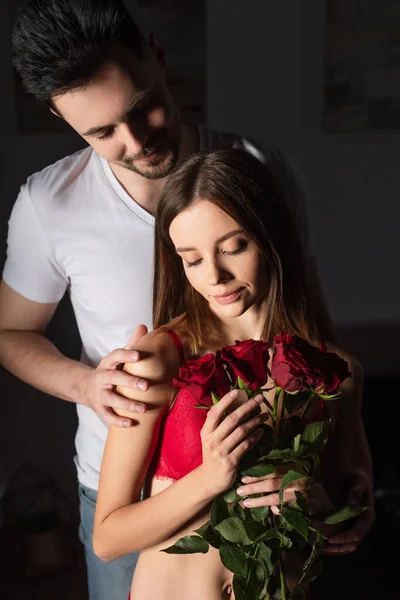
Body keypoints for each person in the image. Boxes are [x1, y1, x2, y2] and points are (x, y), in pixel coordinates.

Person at [0, 0, 373, 598]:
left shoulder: (263, 171)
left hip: (266, 501)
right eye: (101, 132)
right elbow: (9, 333)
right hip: (126, 486)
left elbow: (312, 334)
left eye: (142, 105)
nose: (137, 140)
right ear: (60, 117)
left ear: (157, 54)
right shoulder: (50, 205)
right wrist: (87, 385)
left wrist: (353, 479)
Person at [93, 148, 364, 600]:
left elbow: (333, 518)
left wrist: (315, 501)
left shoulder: (337, 373)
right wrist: (209, 478)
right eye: (192, 259)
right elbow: (107, 539)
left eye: (234, 246)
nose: (214, 276)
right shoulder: (156, 362)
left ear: (272, 236)